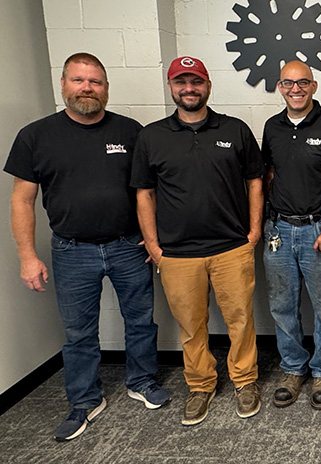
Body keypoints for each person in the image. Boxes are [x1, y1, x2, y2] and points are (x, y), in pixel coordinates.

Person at [4, 52, 169, 442]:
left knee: (140, 321)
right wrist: (27, 256)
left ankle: (141, 381)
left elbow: (148, 192)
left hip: (128, 246)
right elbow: (21, 200)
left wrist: (152, 238)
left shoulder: (130, 132)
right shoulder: (35, 136)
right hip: (71, 250)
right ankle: (84, 400)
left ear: (106, 88)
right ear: (63, 84)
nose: (87, 88)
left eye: (95, 82)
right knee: (79, 331)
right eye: (78, 80)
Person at [131, 56, 264, 426]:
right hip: (177, 253)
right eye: (181, 82)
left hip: (231, 247)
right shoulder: (152, 137)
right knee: (191, 326)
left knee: (241, 321)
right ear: (171, 87)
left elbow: (255, 181)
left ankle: (245, 380)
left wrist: (254, 232)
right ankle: (201, 385)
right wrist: (153, 245)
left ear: (208, 85)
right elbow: (144, 193)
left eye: (196, 82)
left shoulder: (235, 130)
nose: (189, 89)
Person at [261, 60, 321, 410]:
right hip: (279, 231)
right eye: (288, 83)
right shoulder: (272, 127)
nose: (295, 89)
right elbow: (269, 176)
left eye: (303, 82)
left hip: (319, 230)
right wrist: (267, 222)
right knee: (282, 306)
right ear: (280, 87)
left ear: (314, 86)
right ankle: (292, 368)